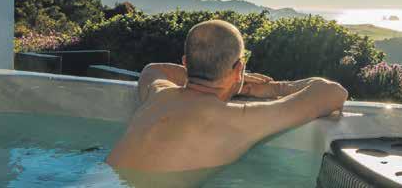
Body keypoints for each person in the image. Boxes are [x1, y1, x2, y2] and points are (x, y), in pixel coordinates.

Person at [106, 19, 348, 173]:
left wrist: (236, 81)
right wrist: (273, 88)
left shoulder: (159, 94)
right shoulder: (238, 119)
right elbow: (333, 92)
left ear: (186, 63)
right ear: (239, 68)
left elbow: (153, 68)